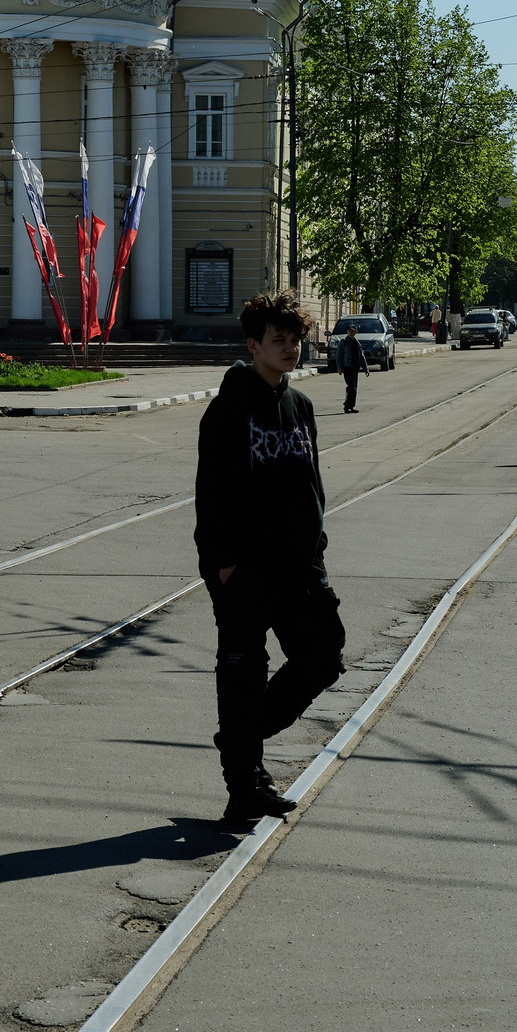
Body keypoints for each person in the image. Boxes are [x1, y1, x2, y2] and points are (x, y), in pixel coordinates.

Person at [194, 290, 346, 830]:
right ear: (253, 344)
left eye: (295, 340)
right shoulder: (228, 409)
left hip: (300, 566)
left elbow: (313, 487)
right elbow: (210, 494)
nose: (290, 349)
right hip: (245, 570)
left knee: (323, 657)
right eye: (278, 341)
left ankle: (241, 734)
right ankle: (245, 789)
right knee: (242, 674)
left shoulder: (299, 406)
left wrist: (318, 553)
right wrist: (225, 566)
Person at [334, 321, 365, 414]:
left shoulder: (357, 343)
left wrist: (365, 368)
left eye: (353, 331)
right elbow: (339, 356)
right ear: (347, 331)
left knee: (354, 388)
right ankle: (347, 406)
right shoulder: (343, 342)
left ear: (356, 332)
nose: (351, 332)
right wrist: (339, 368)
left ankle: (351, 406)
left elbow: (362, 356)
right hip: (346, 367)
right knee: (351, 386)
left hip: (355, 368)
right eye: (350, 331)